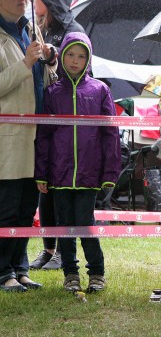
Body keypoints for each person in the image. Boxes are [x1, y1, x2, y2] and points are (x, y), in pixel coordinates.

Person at [34, 32, 120, 292]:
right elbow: (44, 134)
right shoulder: (52, 93)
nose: (75, 60)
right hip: (59, 174)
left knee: (84, 223)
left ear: (88, 59)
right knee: (64, 226)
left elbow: (110, 134)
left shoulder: (100, 90)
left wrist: (109, 172)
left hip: (89, 173)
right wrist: (42, 174)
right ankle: (70, 274)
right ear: (61, 56)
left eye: (81, 56)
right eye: (70, 54)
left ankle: (97, 272)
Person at [0, 0, 53, 292]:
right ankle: (2, 271)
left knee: (26, 208)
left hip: (36, 135)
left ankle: (20, 268)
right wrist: (25, 64)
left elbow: (43, 80)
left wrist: (49, 59)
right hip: (8, 139)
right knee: (6, 207)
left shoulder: (29, 29)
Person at [29, 0, 86, 271]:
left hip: (69, 126)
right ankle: (49, 249)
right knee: (46, 188)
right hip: (48, 121)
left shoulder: (72, 31)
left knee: (65, 190)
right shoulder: (41, 28)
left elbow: (78, 75)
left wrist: (53, 58)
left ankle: (65, 251)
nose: (32, 3)